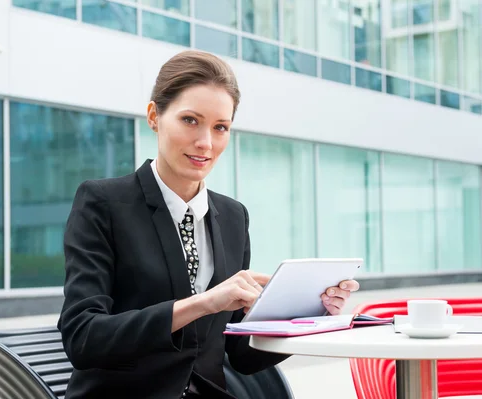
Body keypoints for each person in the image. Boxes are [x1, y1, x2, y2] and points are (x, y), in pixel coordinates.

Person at [57, 50, 360, 399]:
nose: (206, 143)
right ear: (155, 116)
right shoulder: (103, 203)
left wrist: (307, 313)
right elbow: (83, 337)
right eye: (190, 120)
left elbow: (241, 356)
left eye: (220, 127)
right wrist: (205, 302)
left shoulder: (232, 216)